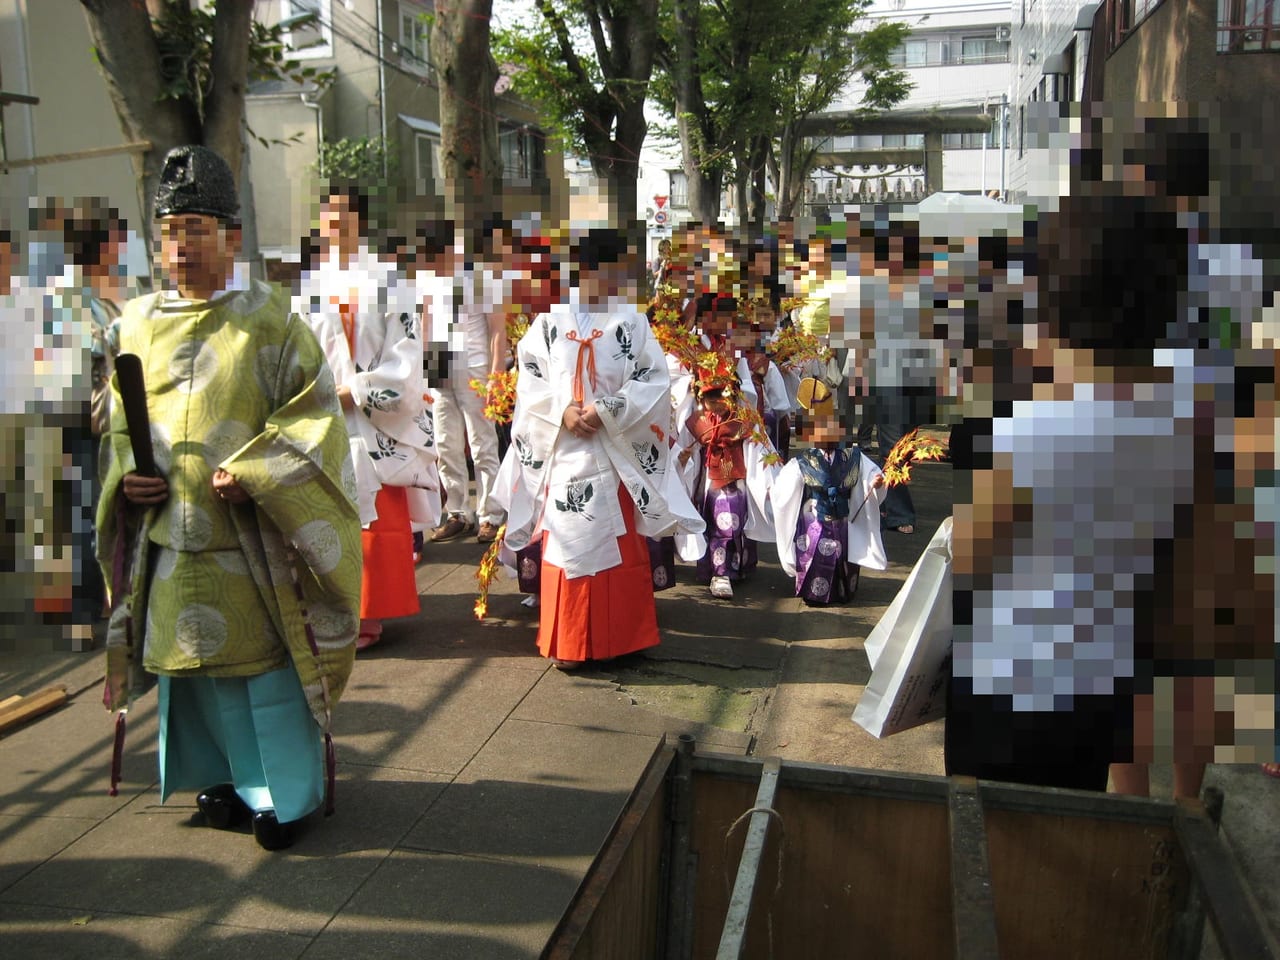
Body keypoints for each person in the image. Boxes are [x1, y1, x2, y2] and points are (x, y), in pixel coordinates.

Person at [97, 145, 361, 849]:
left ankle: (282, 796)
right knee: (192, 675)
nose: (180, 245)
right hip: (169, 533)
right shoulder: (135, 324)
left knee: (261, 675)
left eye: (196, 227)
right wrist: (129, 475)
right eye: (171, 229)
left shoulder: (271, 320)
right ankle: (215, 779)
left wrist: (256, 472)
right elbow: (119, 425)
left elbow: (313, 417)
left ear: (232, 238)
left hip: (248, 539)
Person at [497, 228, 703, 668]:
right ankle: (571, 642)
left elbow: (653, 379)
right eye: (601, 272)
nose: (608, 282)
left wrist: (607, 408)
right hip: (565, 446)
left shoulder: (630, 322)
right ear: (584, 270)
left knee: (617, 540)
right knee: (569, 543)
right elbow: (530, 379)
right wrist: (562, 410)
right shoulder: (550, 323)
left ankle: (621, 639)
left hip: (613, 446)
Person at [294, 184, 437, 651]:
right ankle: (330, 609)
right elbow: (291, 352)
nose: (335, 225)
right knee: (325, 515)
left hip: (372, 418)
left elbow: (407, 355)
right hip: (322, 414)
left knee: (372, 520)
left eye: (343, 216)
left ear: (360, 220)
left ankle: (370, 612)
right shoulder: (307, 286)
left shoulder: (391, 282)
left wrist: (358, 390)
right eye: (328, 216)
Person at [772, 378, 886, 606]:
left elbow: (870, 473)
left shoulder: (852, 457)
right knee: (813, 551)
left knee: (842, 554)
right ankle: (814, 592)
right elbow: (785, 487)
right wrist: (774, 490)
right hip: (814, 517)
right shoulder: (802, 462)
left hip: (843, 518)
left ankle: (842, 590)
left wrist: (876, 482)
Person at [430, 220, 508, 544]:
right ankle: (458, 512)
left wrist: (495, 378)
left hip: (475, 371)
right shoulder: (428, 278)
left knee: (482, 445)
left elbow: (497, 330)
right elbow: (425, 320)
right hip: (438, 368)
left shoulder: (480, 276)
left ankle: (491, 514)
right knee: (445, 445)